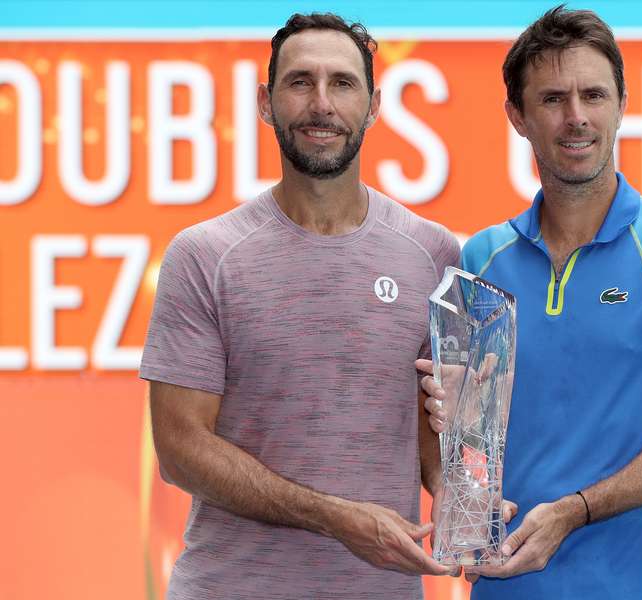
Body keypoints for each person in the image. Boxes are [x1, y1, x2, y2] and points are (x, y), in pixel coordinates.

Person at [418, 6, 642, 599]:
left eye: (594, 95)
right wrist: (450, 486)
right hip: (505, 588)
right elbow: (457, 433)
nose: (576, 118)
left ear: (621, 103)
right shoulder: (481, 257)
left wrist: (575, 510)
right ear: (516, 116)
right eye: (552, 99)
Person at [140, 12, 461, 600]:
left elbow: (433, 443)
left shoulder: (434, 254)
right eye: (299, 82)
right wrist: (336, 518)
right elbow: (179, 450)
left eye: (342, 83)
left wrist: (469, 496)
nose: (321, 104)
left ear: (374, 105)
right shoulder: (204, 256)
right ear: (266, 102)